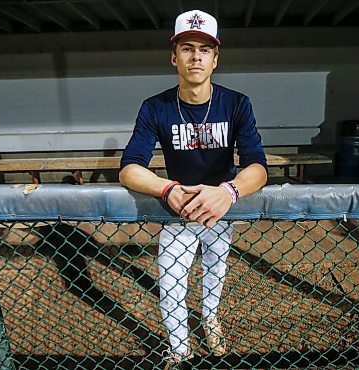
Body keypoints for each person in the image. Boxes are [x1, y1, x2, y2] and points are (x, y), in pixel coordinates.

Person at [119, 9, 268, 368]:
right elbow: (129, 168)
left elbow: (258, 166)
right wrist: (166, 188)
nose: (196, 56)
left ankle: (210, 317)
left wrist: (229, 191)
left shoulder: (236, 103)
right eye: (187, 48)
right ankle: (180, 349)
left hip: (220, 205)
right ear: (174, 57)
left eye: (204, 49)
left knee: (215, 273)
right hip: (179, 207)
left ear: (216, 59)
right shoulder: (156, 107)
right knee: (170, 281)